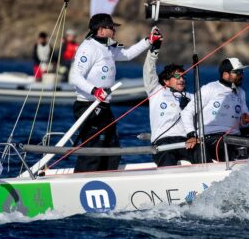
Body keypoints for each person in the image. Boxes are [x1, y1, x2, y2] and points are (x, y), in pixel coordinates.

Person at [69, 13, 158, 172]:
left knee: (112, 147)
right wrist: (94, 90)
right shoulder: (88, 48)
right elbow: (75, 76)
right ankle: (83, 180)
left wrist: (148, 41)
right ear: (102, 30)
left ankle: (108, 177)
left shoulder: (108, 48)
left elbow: (128, 55)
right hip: (88, 105)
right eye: (111, 28)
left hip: (104, 106)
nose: (114, 31)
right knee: (93, 149)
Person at [182, 58, 249, 162]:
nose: (241, 75)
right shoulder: (210, 88)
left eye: (242, 72)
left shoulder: (241, 92)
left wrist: (245, 120)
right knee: (233, 149)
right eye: (237, 72)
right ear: (225, 74)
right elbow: (187, 112)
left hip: (234, 137)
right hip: (212, 138)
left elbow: (245, 118)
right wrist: (191, 135)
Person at [143, 27, 194, 166]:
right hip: (164, 141)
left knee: (204, 154)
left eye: (183, 76)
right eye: (177, 76)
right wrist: (154, 50)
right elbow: (149, 70)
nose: (182, 79)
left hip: (186, 141)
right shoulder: (156, 91)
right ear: (166, 81)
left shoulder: (192, 97)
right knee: (167, 161)